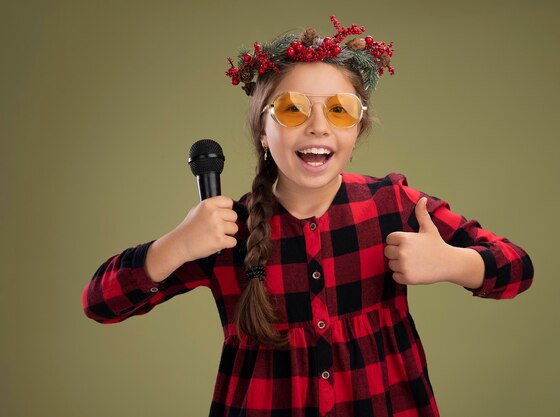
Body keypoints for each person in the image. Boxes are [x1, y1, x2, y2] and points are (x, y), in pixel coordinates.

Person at [82, 16, 534, 417]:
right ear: (263, 129)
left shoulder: (394, 206)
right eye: (294, 109)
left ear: (356, 132)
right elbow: (100, 304)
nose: (318, 126)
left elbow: (517, 267)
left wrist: (453, 264)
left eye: (339, 111)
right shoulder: (223, 231)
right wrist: (176, 245)